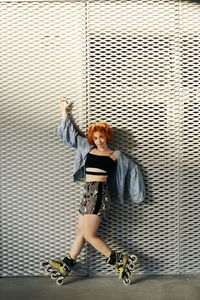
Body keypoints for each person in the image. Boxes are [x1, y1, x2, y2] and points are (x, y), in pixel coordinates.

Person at [48, 95, 146, 281]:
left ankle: (119, 260)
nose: (99, 140)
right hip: (87, 193)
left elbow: (133, 170)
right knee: (80, 232)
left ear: (107, 136)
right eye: (95, 137)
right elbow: (70, 136)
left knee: (89, 234)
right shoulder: (87, 146)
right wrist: (64, 111)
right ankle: (65, 266)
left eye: (101, 137)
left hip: (100, 193)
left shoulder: (116, 155)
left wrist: (136, 193)